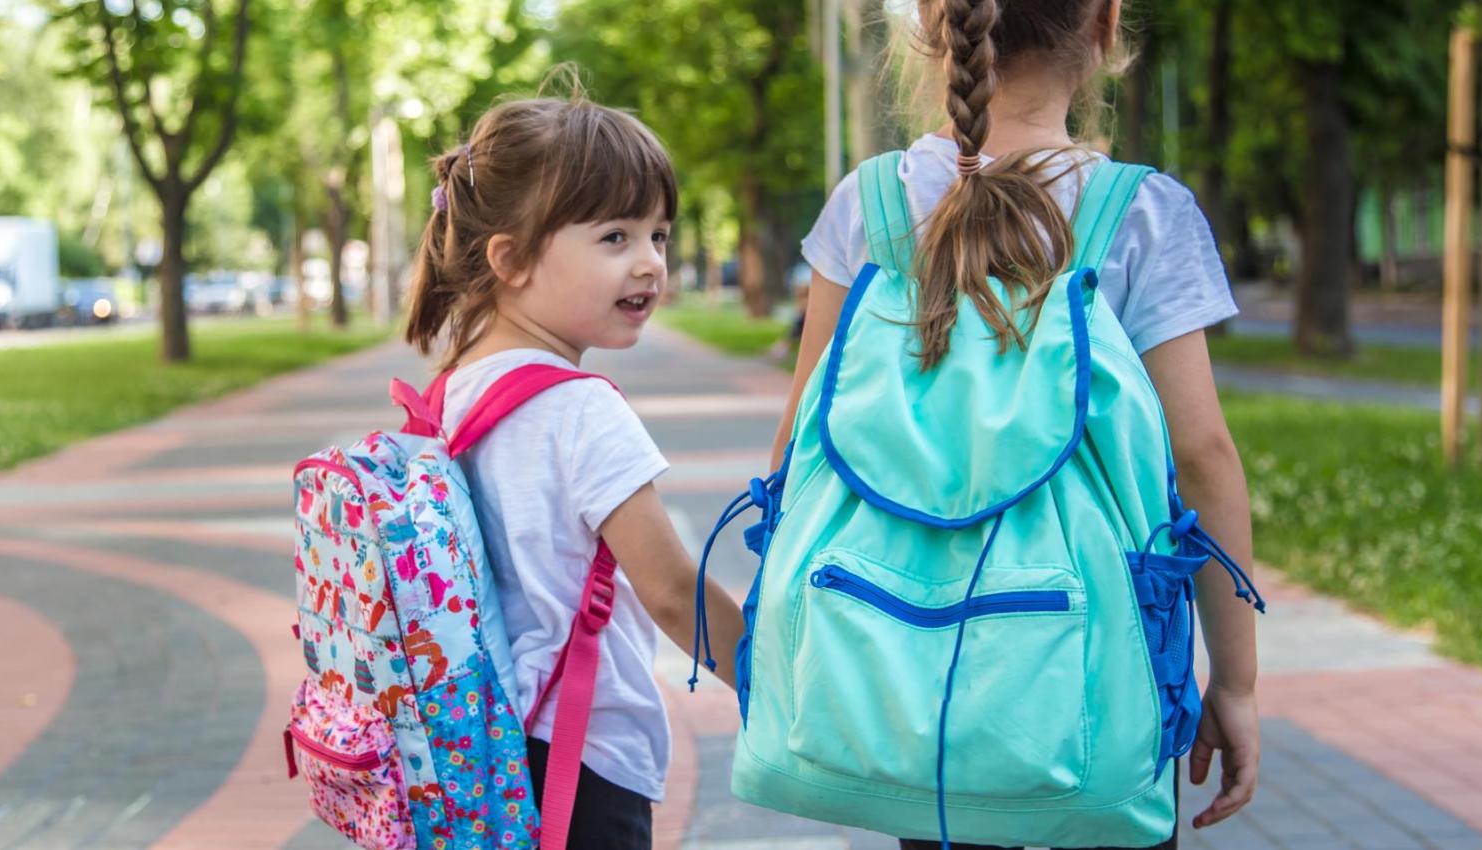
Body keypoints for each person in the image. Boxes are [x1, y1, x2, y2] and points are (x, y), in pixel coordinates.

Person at [768, 1, 1261, 847]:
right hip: (1093, 677)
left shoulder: (872, 203)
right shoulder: (1140, 211)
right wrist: (1237, 684)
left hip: (901, 669)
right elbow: (1202, 454)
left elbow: (801, 437)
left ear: (934, 21)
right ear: (1105, 25)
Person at [402, 87, 744, 850]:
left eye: (658, 234)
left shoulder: (454, 390)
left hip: (490, 748)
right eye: (615, 237)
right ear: (511, 259)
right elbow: (668, 592)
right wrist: (775, 680)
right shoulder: (581, 411)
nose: (650, 263)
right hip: (585, 758)